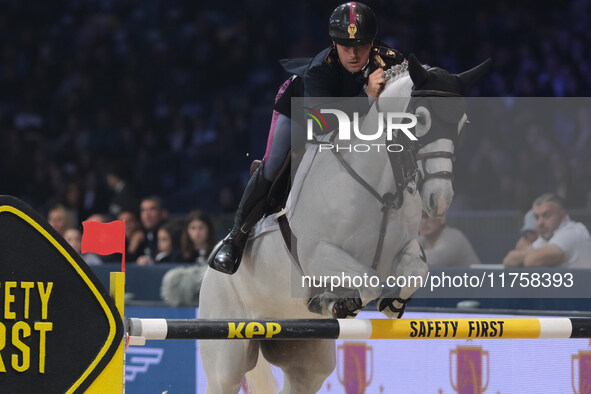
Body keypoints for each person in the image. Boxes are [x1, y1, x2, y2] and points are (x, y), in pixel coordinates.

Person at [209, 2, 405, 274]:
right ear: (332, 43)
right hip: (302, 109)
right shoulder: (319, 70)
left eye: (361, 45)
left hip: (356, 119)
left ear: (373, 42)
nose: (353, 53)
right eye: (344, 45)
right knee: (275, 161)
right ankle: (235, 239)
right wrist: (367, 97)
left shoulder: (391, 59)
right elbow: (320, 124)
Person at [503, 193, 591, 268]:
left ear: (563, 216)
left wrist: (526, 252)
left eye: (546, 216)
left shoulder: (573, 231)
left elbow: (532, 261)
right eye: (536, 217)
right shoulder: (546, 237)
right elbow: (508, 260)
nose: (540, 223)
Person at [138, 196, 168, 263]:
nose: (147, 215)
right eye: (143, 210)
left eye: (152, 209)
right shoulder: (140, 235)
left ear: (163, 213)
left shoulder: (170, 234)